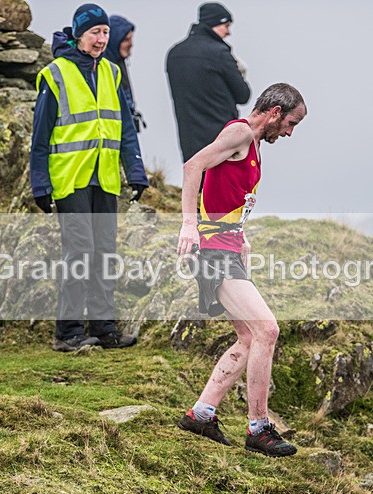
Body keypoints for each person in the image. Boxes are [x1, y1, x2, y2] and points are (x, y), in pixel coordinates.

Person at [176, 83, 307, 457]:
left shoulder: (255, 145)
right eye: (291, 123)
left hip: (229, 245)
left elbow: (228, 194)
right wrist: (189, 226)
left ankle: (201, 414)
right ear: (276, 112)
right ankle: (259, 428)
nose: (290, 133)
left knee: (249, 337)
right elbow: (192, 167)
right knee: (267, 329)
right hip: (213, 250)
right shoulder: (239, 132)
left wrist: (240, 234)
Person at [30, 3, 148, 352]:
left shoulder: (111, 72)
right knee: (80, 253)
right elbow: (39, 137)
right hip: (70, 180)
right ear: (79, 34)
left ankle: (104, 328)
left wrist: (136, 171)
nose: (101, 39)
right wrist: (40, 184)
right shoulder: (55, 74)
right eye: (95, 32)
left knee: (104, 253)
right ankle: (67, 333)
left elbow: (126, 128)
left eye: (105, 32)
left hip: (106, 179)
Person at [166, 2, 250, 164]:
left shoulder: (174, 54)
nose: (228, 32)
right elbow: (243, 95)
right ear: (214, 23)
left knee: (196, 181)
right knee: (220, 186)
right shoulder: (219, 53)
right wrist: (240, 71)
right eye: (226, 25)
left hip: (189, 136)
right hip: (222, 137)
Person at [105, 15, 146, 133]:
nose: (131, 44)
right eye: (126, 40)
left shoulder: (119, 62)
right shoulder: (104, 69)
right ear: (114, 40)